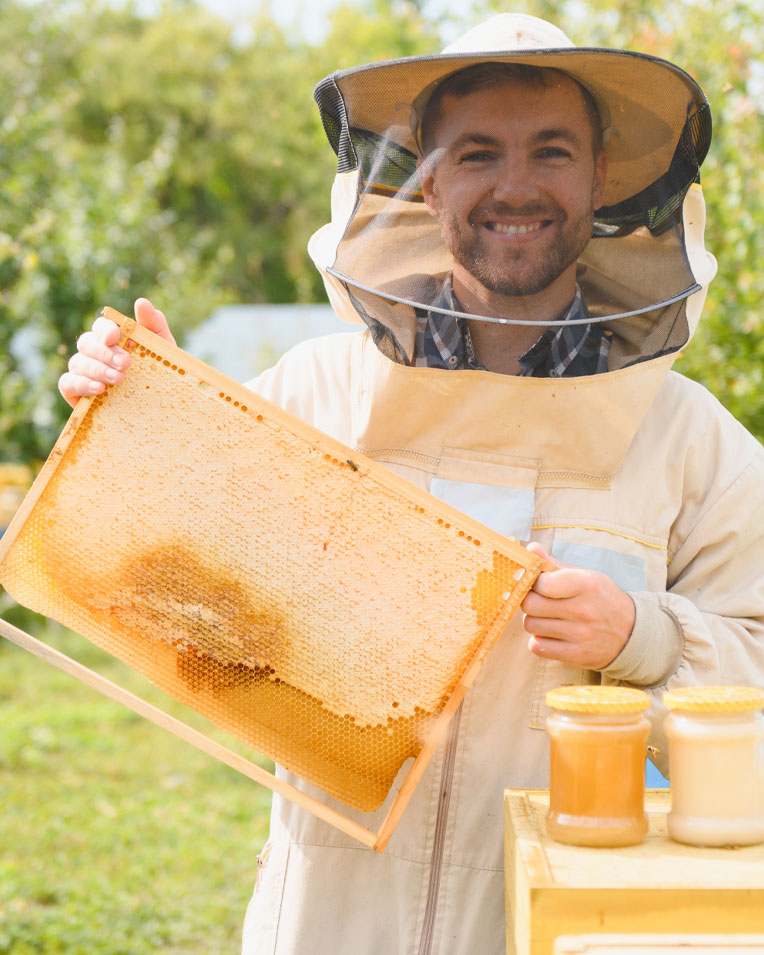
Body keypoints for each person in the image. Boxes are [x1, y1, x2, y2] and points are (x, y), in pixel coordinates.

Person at [59, 14, 764, 955]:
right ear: (426, 183)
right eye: (477, 154)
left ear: (601, 177)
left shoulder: (691, 441)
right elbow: (187, 606)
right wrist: (151, 417)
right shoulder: (314, 395)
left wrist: (643, 635)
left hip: (559, 926)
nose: (515, 186)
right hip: (329, 920)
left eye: (551, 151)